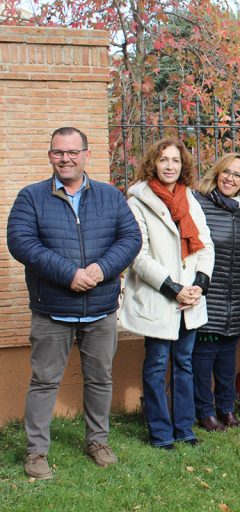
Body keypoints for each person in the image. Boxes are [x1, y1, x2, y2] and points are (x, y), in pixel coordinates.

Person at [7, 127, 142, 479]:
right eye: (58, 152)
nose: (65, 158)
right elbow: (21, 242)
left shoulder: (111, 197)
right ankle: (36, 453)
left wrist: (101, 269)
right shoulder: (31, 197)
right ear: (50, 155)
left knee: (100, 379)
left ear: (86, 154)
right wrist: (68, 273)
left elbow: (130, 238)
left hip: (99, 308)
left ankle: (98, 441)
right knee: (44, 381)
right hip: (52, 308)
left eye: (72, 152)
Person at [120, 138, 214, 449]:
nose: (170, 166)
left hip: (191, 298)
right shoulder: (138, 201)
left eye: (175, 160)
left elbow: (205, 245)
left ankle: (184, 428)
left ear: (182, 165)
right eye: (163, 160)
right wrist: (174, 289)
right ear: (153, 164)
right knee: (158, 364)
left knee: (184, 363)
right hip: (160, 297)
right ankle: (161, 432)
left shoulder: (191, 199)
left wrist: (199, 283)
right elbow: (138, 255)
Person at [191, 153, 240, 432]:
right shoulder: (199, 204)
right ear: (217, 174)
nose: (230, 178)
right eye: (226, 172)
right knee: (204, 356)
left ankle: (226, 407)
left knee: (228, 357)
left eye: (237, 175)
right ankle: (204, 411)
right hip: (208, 292)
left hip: (235, 295)